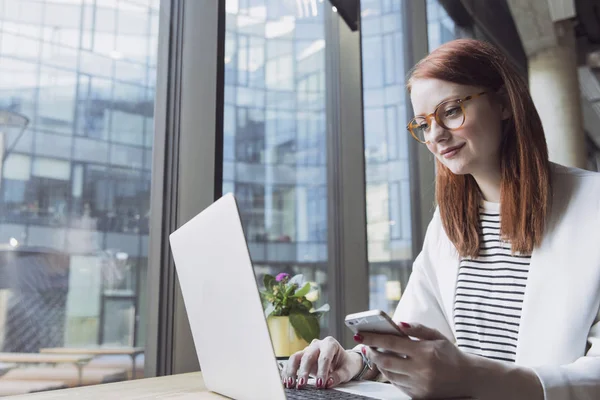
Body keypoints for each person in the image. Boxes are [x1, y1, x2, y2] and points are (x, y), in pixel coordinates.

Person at [281, 38, 600, 400]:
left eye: (450, 111)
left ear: (504, 103)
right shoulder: (450, 224)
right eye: (423, 123)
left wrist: (479, 379)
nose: (435, 135)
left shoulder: (593, 206)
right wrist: (356, 361)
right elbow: (413, 333)